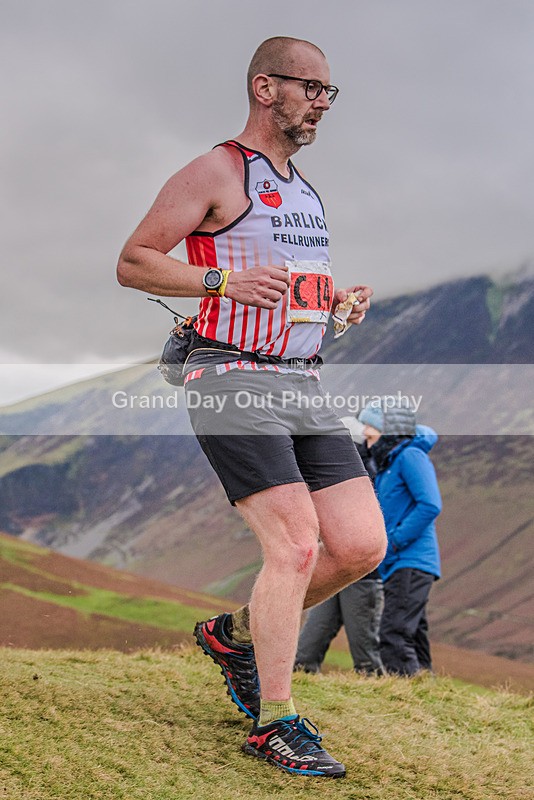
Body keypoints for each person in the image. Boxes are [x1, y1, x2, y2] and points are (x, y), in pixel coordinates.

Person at [117, 36, 386, 778]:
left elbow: (285, 284)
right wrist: (219, 284)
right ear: (266, 88)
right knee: (295, 546)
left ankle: (234, 634)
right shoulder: (217, 171)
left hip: (301, 381)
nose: (322, 103)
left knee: (360, 546)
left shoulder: (304, 191)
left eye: (329, 92)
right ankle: (275, 721)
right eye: (310, 88)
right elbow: (134, 260)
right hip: (231, 376)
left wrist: (334, 302)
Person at [295, 419, 386, 675]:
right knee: (308, 648)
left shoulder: (362, 474)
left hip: (362, 576)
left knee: (365, 652)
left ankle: (379, 689)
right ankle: (300, 677)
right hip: (335, 566)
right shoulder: (337, 470)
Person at [359, 399, 442, 676]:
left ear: (388, 430)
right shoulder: (388, 464)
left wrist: (394, 541)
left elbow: (430, 505)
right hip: (399, 562)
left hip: (410, 559)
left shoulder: (410, 456)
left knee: (393, 634)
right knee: (413, 632)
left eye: (370, 426)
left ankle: (403, 692)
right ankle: (425, 686)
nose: (365, 432)